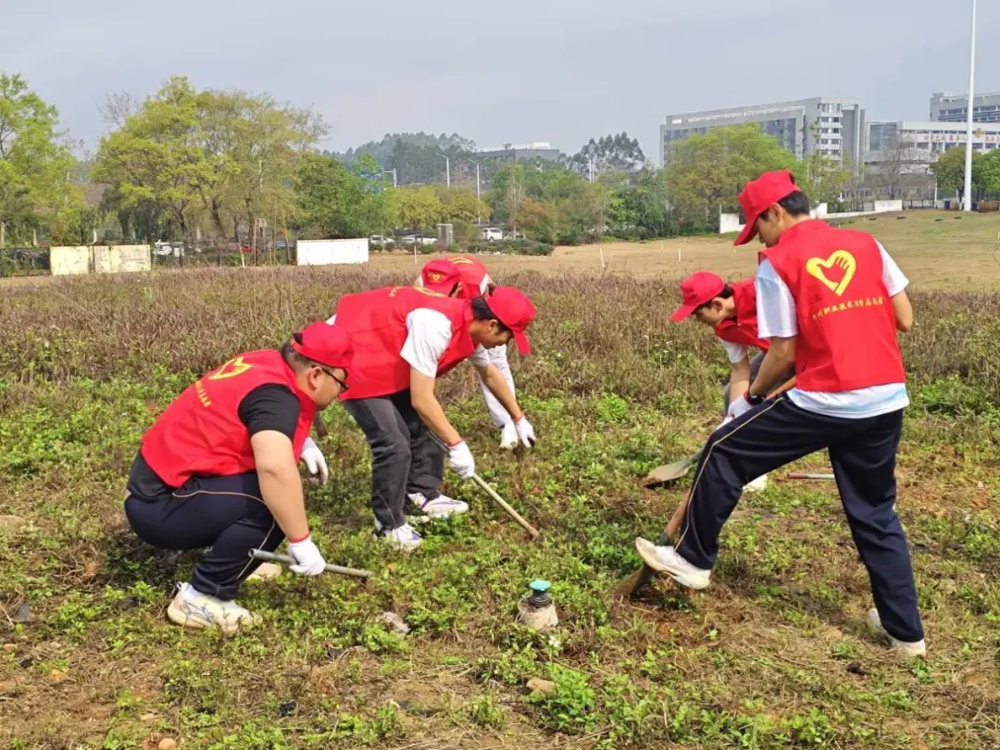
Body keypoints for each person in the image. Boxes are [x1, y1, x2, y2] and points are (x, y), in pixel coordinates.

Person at [635, 169, 926, 656]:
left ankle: (692, 559)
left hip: (828, 397)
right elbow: (905, 319)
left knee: (723, 451)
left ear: (775, 213)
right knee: (875, 513)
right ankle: (906, 634)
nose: (759, 237)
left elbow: (784, 351)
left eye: (758, 226)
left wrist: (748, 403)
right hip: (886, 397)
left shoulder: (778, 261)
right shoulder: (867, 243)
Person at [123, 321, 354, 634]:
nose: (340, 393)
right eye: (341, 383)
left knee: (276, 488)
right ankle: (203, 595)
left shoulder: (265, 361)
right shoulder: (277, 398)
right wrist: (301, 541)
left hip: (153, 485)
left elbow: (248, 413)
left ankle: (237, 559)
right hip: (158, 506)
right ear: (315, 375)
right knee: (274, 503)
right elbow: (274, 469)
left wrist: (302, 442)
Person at [326, 283, 537, 552]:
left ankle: (420, 494)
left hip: (384, 355)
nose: (506, 344)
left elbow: (490, 373)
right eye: (509, 337)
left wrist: (518, 417)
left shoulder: (467, 323)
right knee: (393, 444)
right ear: (492, 325)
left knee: (418, 426)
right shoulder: (436, 326)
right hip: (353, 354)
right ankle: (387, 525)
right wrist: (457, 445)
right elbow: (422, 399)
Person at [670, 271, 790, 491]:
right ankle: (742, 459)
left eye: (698, 314)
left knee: (778, 405)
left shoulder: (763, 293)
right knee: (732, 397)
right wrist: (733, 416)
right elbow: (739, 370)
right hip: (776, 355)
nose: (698, 321)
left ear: (716, 305)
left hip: (808, 350)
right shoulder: (722, 326)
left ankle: (760, 457)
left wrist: (756, 396)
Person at [416, 256, 521, 449]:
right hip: (440, 323)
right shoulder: (422, 283)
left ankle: (508, 425)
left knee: (494, 362)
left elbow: (490, 369)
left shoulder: (480, 286)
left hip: (478, 319)